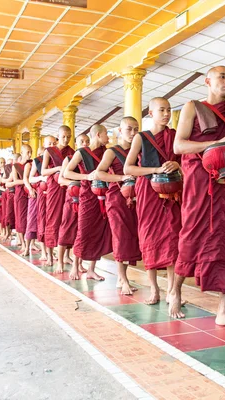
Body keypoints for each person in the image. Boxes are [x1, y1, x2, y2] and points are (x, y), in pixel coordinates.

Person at [170, 66, 225, 331]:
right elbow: (179, 146)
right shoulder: (193, 107)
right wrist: (215, 143)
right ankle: (175, 291)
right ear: (207, 81)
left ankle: (223, 311)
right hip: (199, 183)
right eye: (222, 77)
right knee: (191, 235)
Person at [123, 98, 182, 304]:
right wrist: (156, 170)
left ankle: (173, 291)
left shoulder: (175, 136)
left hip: (173, 194)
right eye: (161, 110)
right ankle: (154, 289)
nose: (166, 114)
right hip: (149, 193)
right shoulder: (141, 138)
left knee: (173, 239)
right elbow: (128, 168)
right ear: (150, 113)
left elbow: (187, 164)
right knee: (150, 238)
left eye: (169, 110)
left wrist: (177, 164)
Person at [95, 117, 142, 295]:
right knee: (120, 237)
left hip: (135, 199)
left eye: (136, 129)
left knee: (130, 237)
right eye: (129, 129)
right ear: (120, 131)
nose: (133, 133)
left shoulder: (138, 150)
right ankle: (122, 279)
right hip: (116, 199)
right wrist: (121, 178)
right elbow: (99, 173)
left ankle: (123, 278)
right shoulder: (112, 152)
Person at [65, 124, 112, 281]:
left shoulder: (107, 152)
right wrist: (86, 176)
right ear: (98, 134)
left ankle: (91, 269)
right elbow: (67, 172)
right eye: (106, 134)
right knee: (83, 230)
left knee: (98, 231)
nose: (108, 138)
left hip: (103, 195)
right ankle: (75, 266)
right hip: (87, 195)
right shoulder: (82, 152)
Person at [55, 133, 89, 274]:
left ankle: (78, 263)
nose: (85, 144)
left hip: (85, 198)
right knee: (66, 228)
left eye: (87, 141)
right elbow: (61, 180)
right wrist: (78, 183)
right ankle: (60, 262)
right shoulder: (69, 159)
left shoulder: (89, 160)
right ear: (76, 144)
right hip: (71, 198)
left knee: (80, 231)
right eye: (82, 141)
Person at [41, 126, 74, 267]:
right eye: (63, 137)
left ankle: (66, 255)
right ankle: (49, 255)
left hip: (67, 188)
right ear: (57, 136)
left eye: (68, 136)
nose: (66, 139)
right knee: (52, 220)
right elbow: (43, 171)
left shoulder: (72, 152)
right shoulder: (49, 151)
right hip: (54, 189)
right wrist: (57, 168)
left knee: (67, 220)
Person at [11, 145, 33, 255]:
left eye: (31, 152)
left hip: (30, 193)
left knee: (30, 219)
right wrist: (27, 181)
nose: (29, 155)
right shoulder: (16, 166)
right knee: (20, 219)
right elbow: (15, 181)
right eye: (27, 152)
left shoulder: (32, 163)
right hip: (20, 194)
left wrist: (28, 181)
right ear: (22, 152)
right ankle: (23, 244)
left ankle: (30, 243)